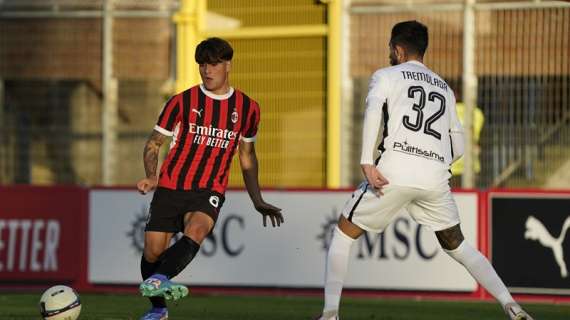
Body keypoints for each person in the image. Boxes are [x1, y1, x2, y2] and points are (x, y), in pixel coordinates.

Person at [316, 21, 532, 320]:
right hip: (434, 175)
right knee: (456, 244)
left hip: (393, 171)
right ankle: (512, 306)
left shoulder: (386, 75)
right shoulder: (444, 88)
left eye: (390, 49)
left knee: (343, 234)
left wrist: (367, 160)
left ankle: (329, 314)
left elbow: (373, 111)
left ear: (398, 49)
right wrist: (437, 165)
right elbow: (458, 145)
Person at [136, 37, 284, 320]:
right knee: (153, 252)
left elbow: (247, 156)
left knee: (197, 229)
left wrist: (257, 199)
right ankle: (158, 308)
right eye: (202, 65)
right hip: (171, 186)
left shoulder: (248, 108)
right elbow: (154, 143)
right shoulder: (181, 102)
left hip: (208, 189)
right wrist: (151, 176)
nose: (207, 70)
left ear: (228, 64)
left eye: (213, 64)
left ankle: (160, 279)